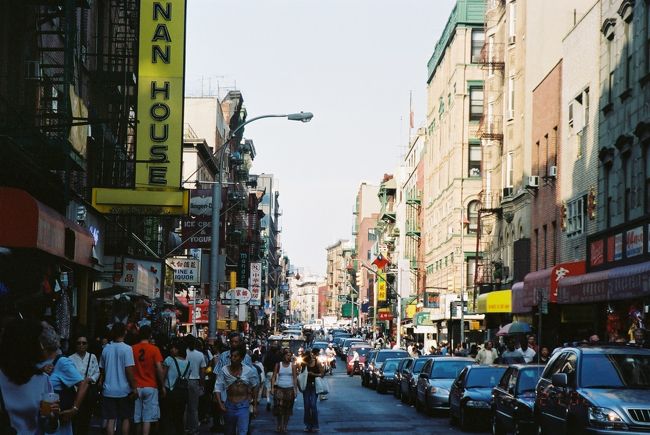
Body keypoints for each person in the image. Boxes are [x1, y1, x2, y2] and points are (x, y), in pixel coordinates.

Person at [0, 318, 60, 434]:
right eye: (38, 343)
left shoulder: (42, 379)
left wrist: (53, 418)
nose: (41, 348)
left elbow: (48, 427)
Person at [42, 323, 88, 435]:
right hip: (42, 420)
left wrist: (74, 409)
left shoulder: (62, 362)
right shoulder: (40, 363)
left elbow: (83, 384)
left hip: (58, 422)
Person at [100, 322, 137, 435]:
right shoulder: (127, 349)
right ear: (125, 332)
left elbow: (102, 370)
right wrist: (134, 387)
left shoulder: (106, 349)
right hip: (124, 390)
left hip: (108, 389)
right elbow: (129, 370)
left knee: (110, 418)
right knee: (125, 418)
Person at [213, 346, 259, 435]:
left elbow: (255, 386)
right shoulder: (224, 370)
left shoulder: (248, 371)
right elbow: (217, 387)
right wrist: (220, 404)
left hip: (243, 406)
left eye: (235, 356)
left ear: (241, 358)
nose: (232, 358)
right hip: (229, 405)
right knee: (229, 432)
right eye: (231, 356)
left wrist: (255, 405)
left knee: (242, 432)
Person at [131, 325, 164, 435]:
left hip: (136, 386)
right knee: (147, 418)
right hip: (151, 386)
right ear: (150, 335)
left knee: (137, 418)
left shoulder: (132, 348)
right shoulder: (154, 349)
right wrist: (162, 385)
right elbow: (159, 368)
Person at [68, 334, 100, 434]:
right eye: (79, 343)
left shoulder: (92, 357)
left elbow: (97, 372)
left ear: (87, 345)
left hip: (88, 392)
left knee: (86, 418)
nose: (81, 345)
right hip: (75, 393)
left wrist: (91, 379)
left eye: (84, 343)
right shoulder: (70, 359)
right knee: (75, 418)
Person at [161, 339, 190, 435]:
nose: (172, 349)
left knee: (167, 416)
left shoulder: (169, 360)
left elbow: (163, 375)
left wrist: (162, 387)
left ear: (178, 350)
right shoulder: (188, 363)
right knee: (179, 417)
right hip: (183, 393)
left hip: (170, 392)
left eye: (174, 348)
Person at [271, 349, 298, 433]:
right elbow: (274, 376)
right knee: (279, 409)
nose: (289, 357)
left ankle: (285, 426)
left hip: (289, 389)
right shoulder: (278, 365)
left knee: (287, 410)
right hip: (279, 388)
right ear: (283, 356)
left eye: (290, 355)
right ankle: (279, 425)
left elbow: (295, 378)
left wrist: (295, 390)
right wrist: (272, 388)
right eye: (287, 355)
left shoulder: (292, 366)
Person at [184, 335, 206, 435]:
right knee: (194, 408)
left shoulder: (183, 353)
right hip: (195, 382)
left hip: (184, 382)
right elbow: (202, 372)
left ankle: (185, 428)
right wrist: (202, 385)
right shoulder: (200, 355)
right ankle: (194, 429)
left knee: (184, 407)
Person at [302, 349, 324, 432]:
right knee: (307, 405)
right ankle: (308, 425)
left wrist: (313, 374)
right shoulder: (304, 364)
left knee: (313, 405)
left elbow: (322, 374)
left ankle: (315, 425)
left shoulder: (317, 362)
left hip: (314, 385)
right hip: (306, 385)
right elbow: (300, 373)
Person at [262, 344, 280, 411]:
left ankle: (268, 401)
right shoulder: (277, 357)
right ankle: (274, 402)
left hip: (269, 373)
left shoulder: (267, 356)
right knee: (275, 388)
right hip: (276, 374)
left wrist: (265, 373)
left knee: (268, 388)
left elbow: (264, 365)